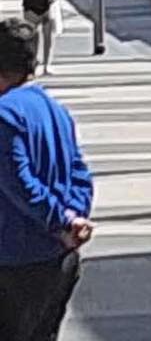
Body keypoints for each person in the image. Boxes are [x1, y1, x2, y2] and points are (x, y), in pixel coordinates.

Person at [0, 17, 93, 340]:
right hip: (59, 256)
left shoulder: (4, 114)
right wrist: (76, 218)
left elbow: (18, 182)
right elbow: (80, 171)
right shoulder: (55, 109)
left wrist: (61, 221)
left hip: (15, 258)